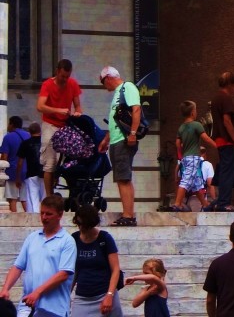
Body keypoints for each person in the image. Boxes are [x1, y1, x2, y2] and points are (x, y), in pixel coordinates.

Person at [0, 193, 76, 317]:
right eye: (42, 213)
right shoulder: (32, 238)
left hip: (54, 309)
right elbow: (18, 266)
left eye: (49, 214)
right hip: (28, 306)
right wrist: (6, 288)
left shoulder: (67, 241)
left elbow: (63, 274)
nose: (44, 217)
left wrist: (38, 293)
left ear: (60, 215)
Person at [97, 66, 142, 226]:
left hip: (124, 140)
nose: (105, 87)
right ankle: (127, 214)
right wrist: (106, 140)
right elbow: (116, 120)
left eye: (103, 83)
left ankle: (128, 216)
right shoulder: (117, 93)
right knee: (122, 178)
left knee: (123, 177)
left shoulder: (127, 87)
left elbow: (136, 109)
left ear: (108, 77)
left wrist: (133, 133)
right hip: (116, 140)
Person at [36, 58, 82, 195]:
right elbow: (40, 106)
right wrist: (58, 110)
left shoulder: (72, 84)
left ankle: (73, 191)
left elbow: (78, 105)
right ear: (57, 72)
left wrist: (78, 113)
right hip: (50, 124)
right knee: (50, 162)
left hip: (66, 125)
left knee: (72, 158)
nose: (65, 79)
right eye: (62, 76)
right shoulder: (47, 85)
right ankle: (49, 196)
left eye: (67, 77)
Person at [70, 203, 123, 317]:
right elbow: (73, 269)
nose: (81, 227)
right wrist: (66, 293)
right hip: (82, 296)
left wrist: (109, 295)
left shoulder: (105, 238)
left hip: (104, 294)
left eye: (84, 225)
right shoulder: (74, 239)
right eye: (79, 223)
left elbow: (115, 269)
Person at [171, 100, 218, 211]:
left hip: (185, 158)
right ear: (193, 113)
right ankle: (177, 203)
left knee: (196, 183)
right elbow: (205, 138)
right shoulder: (197, 125)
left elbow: (177, 143)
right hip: (193, 157)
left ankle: (205, 204)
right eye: (195, 110)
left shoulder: (181, 127)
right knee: (186, 180)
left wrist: (181, 154)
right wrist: (217, 146)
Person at [209, 72, 234, 212]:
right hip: (227, 140)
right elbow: (227, 121)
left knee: (224, 170)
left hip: (219, 140)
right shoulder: (225, 98)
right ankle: (224, 203)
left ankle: (220, 201)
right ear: (229, 84)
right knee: (228, 171)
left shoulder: (216, 98)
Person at [1, 116, 29, 212]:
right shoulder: (28, 135)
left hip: (12, 171)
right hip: (27, 171)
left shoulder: (8, 137)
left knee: (12, 198)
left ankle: (14, 219)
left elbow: (4, 156)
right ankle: (30, 218)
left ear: (12, 124)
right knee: (24, 198)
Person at [15, 123, 43, 213]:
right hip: (45, 173)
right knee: (46, 197)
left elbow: (20, 162)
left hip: (31, 174)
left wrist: (18, 177)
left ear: (29, 132)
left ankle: (35, 217)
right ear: (40, 131)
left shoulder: (25, 143)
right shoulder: (45, 142)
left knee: (33, 197)